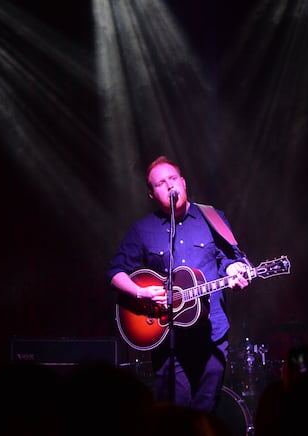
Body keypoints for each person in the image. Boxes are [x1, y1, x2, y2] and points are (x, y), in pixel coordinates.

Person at [107, 155, 251, 414]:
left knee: (205, 411)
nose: (170, 186)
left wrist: (235, 269)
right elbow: (115, 273)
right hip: (167, 338)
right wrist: (141, 291)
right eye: (161, 183)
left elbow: (231, 260)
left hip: (212, 335)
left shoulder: (212, 218)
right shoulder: (143, 230)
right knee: (174, 416)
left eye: (173, 179)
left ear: (183, 182)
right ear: (151, 193)